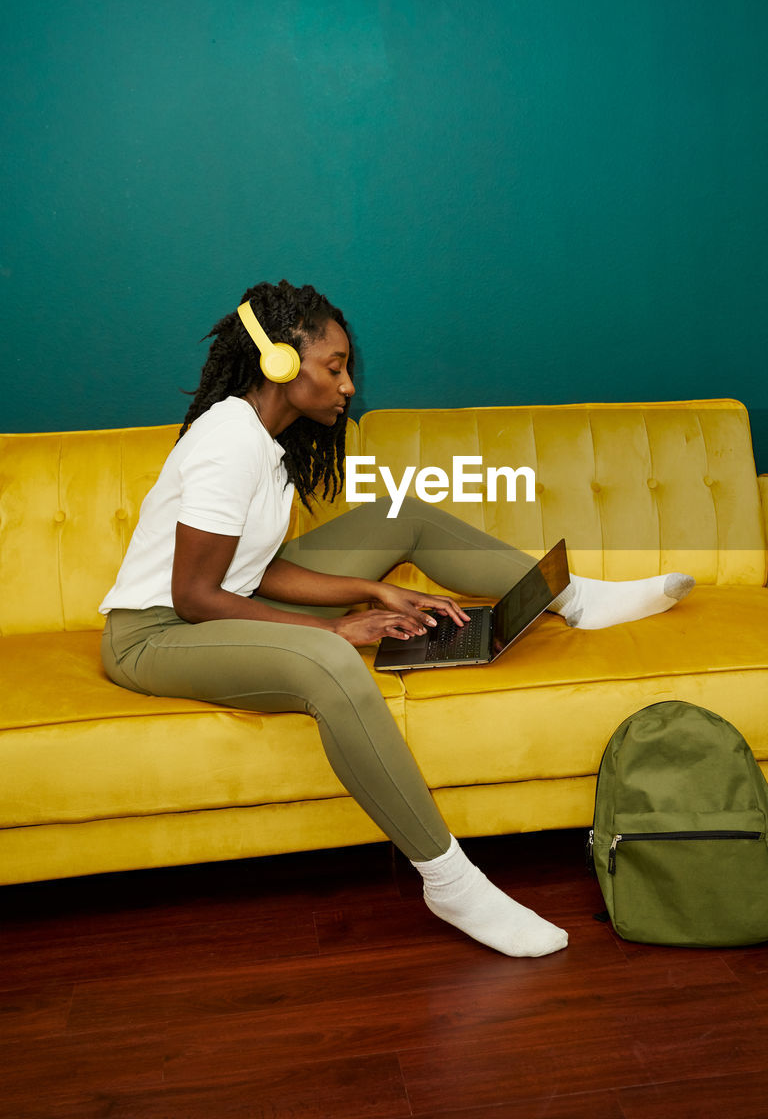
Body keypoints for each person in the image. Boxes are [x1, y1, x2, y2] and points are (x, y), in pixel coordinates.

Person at [100, 279, 694, 958]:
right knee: (328, 662)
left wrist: (372, 591)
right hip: (156, 636)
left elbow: (254, 571)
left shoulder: (267, 443)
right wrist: (333, 630)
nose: (348, 384)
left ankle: (578, 600)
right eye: (335, 367)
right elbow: (195, 595)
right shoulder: (229, 441)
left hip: (211, 606)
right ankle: (450, 881)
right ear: (281, 365)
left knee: (399, 516)